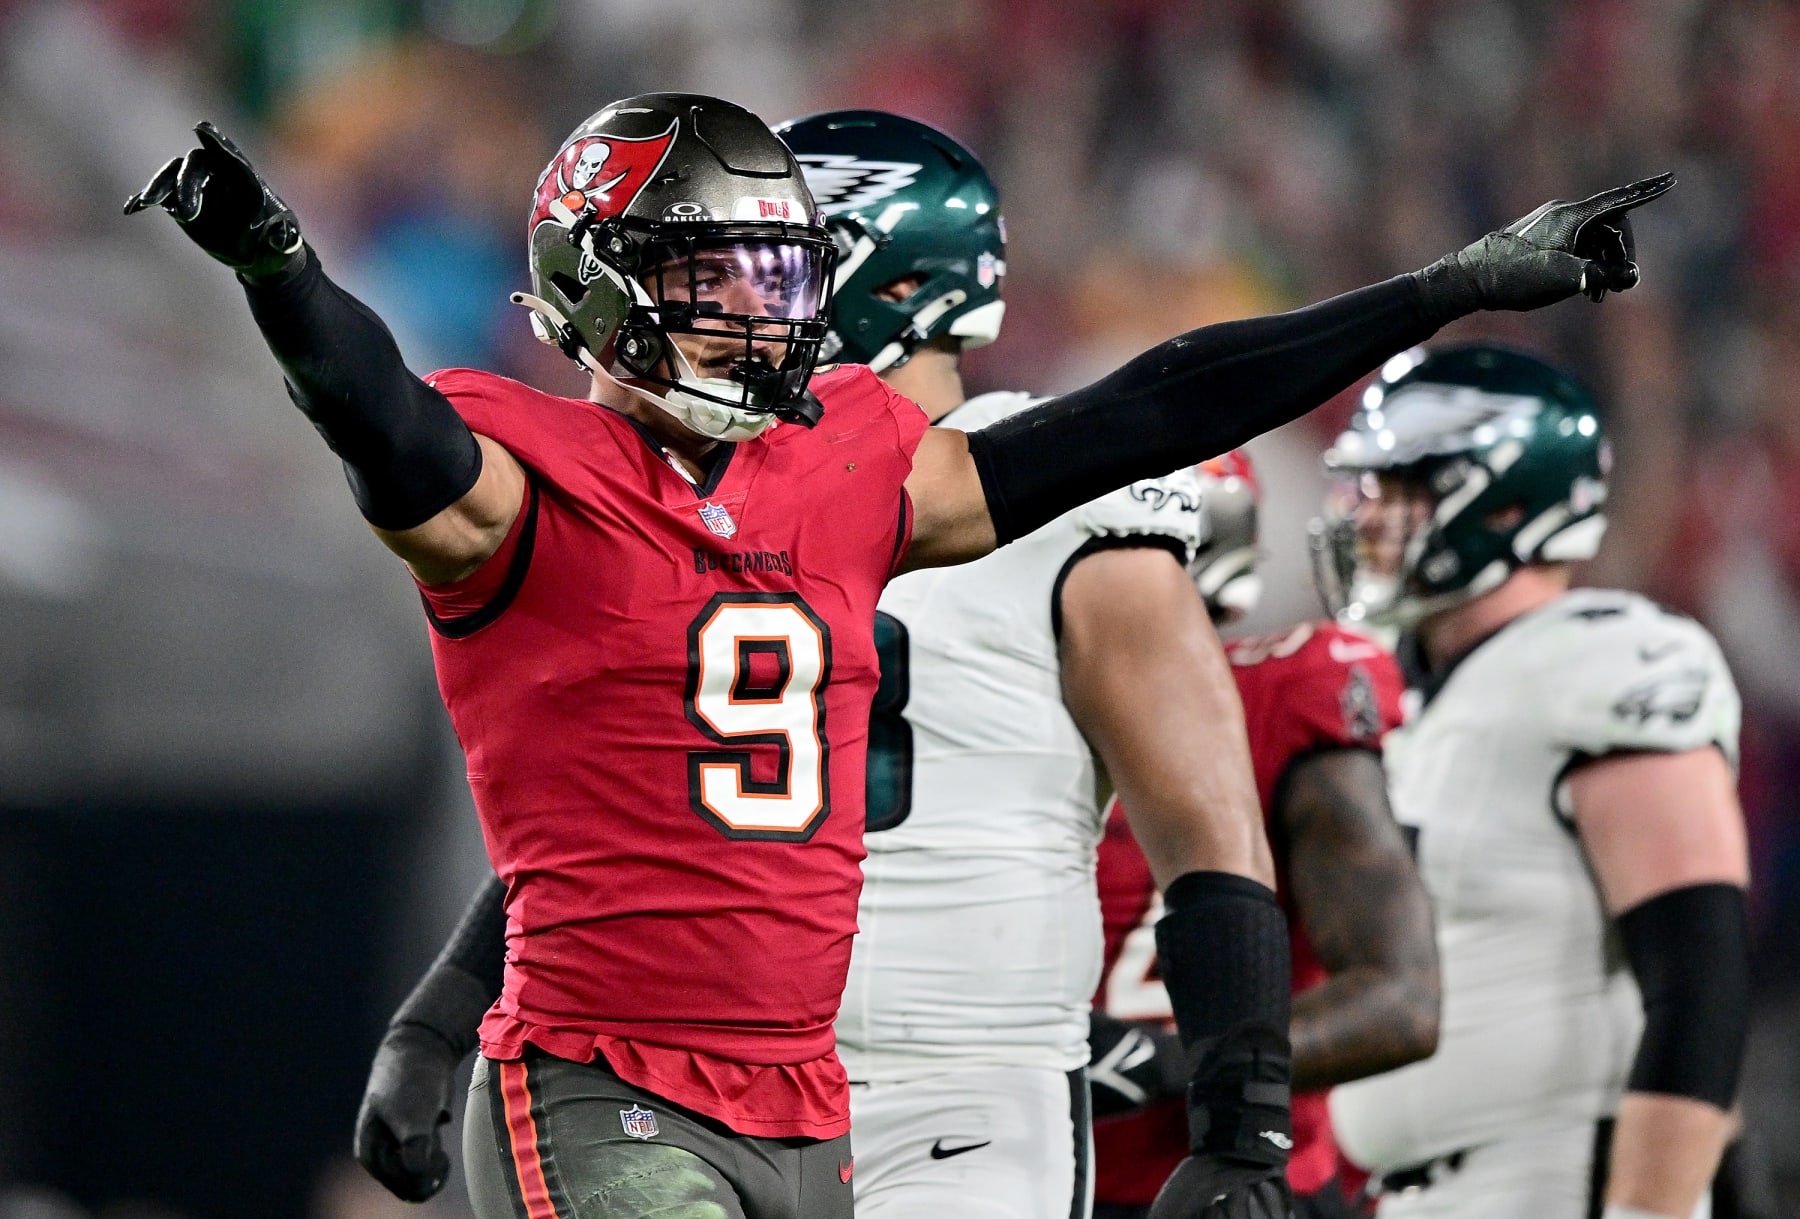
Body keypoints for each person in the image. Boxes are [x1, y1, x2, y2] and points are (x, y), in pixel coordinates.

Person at [124, 92, 1669, 1219]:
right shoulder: (523, 473)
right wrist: (277, 266)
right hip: (616, 1073)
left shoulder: (852, 468)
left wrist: (1447, 288)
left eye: (777, 275)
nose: (756, 315)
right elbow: (380, 420)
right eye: (709, 277)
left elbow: (1159, 399)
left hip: (834, 1098)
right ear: (598, 283)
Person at [351, 107, 1269, 1219]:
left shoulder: (1062, 506)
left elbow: (1212, 839)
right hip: (710, 1079)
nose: (737, 295)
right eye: (718, 262)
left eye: (762, 260)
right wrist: (440, 1019)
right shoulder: (718, 478)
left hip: (967, 1084)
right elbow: (634, 816)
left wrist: (1240, 1116)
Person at [1316, 345, 1750, 1219]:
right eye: (1364, 487)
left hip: (1557, 1181)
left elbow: (1701, 977)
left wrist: (1647, 1209)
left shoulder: (1605, 657)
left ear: (1506, 501)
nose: (1365, 517)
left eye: (1401, 489)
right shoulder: (1403, 697)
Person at [1087, 451, 1441, 1219]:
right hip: (1025, 1172)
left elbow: (1399, 1000)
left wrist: (1163, 1060)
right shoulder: (991, 709)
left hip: (1233, 1184)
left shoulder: (1288, 689)